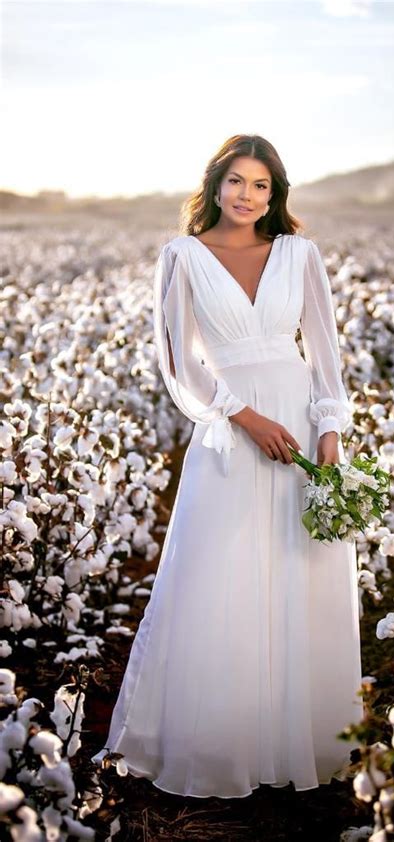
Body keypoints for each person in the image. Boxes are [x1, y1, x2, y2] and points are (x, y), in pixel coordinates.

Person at [91, 134, 363, 798]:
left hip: (299, 424)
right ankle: (220, 746)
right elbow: (181, 363)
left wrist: (327, 431)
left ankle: (295, 741)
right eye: (237, 181)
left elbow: (327, 354)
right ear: (214, 185)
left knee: (298, 569)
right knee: (217, 573)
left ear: (276, 193)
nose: (248, 195)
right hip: (228, 427)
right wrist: (245, 417)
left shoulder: (300, 253)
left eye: (262, 185)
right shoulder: (182, 255)